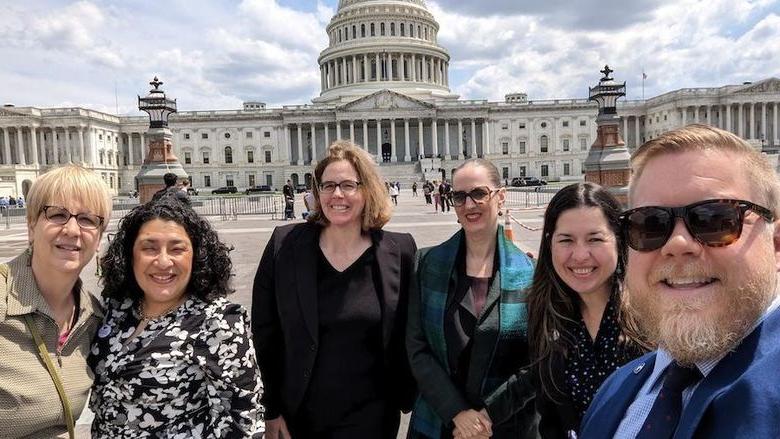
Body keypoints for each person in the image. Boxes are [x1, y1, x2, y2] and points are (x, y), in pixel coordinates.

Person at [580, 124, 780, 438]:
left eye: (715, 219)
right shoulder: (615, 390)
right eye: (649, 224)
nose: (677, 244)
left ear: (777, 243)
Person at [253, 140, 417, 439]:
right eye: (327, 186)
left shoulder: (400, 250)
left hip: (373, 415)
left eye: (348, 185)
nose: (337, 195)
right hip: (299, 413)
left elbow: (414, 329)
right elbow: (265, 333)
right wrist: (270, 408)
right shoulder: (284, 245)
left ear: (367, 190)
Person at [88, 196, 265, 437]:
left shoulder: (218, 322)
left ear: (196, 256)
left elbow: (242, 422)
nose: (163, 261)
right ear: (131, 256)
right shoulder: (115, 310)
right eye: (149, 247)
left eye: (177, 249)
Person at [407, 158, 538, 439]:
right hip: (438, 421)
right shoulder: (427, 263)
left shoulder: (532, 274)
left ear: (500, 196)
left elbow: (538, 362)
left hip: (505, 425)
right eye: (459, 196)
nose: (469, 205)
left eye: (479, 193)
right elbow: (416, 347)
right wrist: (456, 412)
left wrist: (486, 417)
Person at [527, 182, 647, 438]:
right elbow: (550, 418)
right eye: (566, 240)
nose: (580, 255)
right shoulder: (546, 315)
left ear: (619, 239)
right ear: (550, 245)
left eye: (595, 239)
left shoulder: (652, 312)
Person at [0, 165, 111, 438]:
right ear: (31, 225)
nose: (72, 230)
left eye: (87, 219)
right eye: (57, 214)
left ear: (98, 237)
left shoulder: (94, 318)